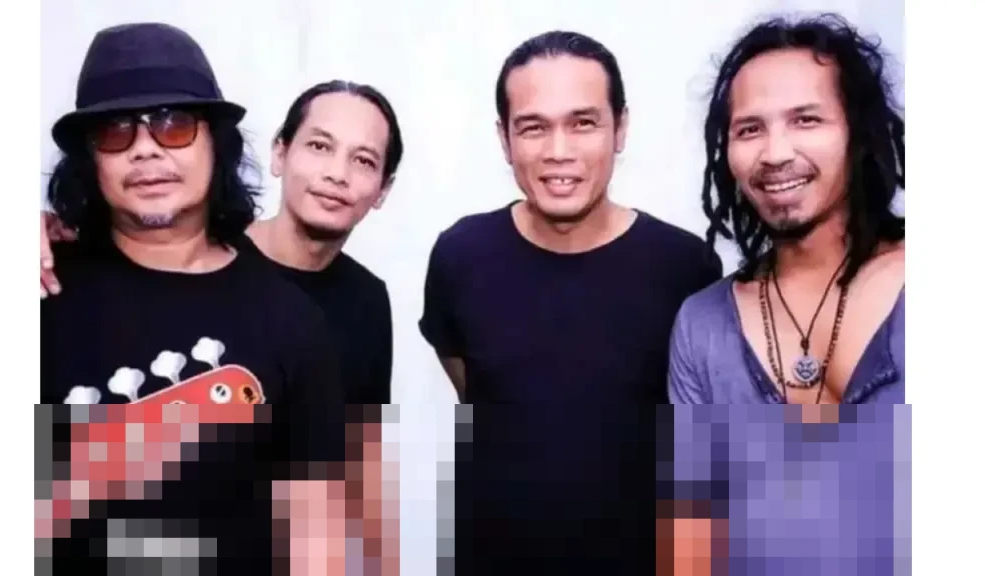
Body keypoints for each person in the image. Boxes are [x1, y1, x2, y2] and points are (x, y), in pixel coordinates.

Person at [40, 79, 403, 572]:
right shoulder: (182, 254)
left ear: (383, 189)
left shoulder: (365, 300)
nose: (336, 174)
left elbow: (357, 480)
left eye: (363, 160)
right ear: (279, 153)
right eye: (320, 146)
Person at [418, 30, 723, 572]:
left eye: (583, 123)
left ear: (620, 128)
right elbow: (476, 392)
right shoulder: (460, 255)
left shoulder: (685, 267)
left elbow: (700, 449)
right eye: (533, 127)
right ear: (504, 139)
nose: (559, 151)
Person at [659, 14, 907, 575]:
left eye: (806, 119)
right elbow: (691, 544)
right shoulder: (702, 325)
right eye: (750, 129)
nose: (775, 153)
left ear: (857, 131)